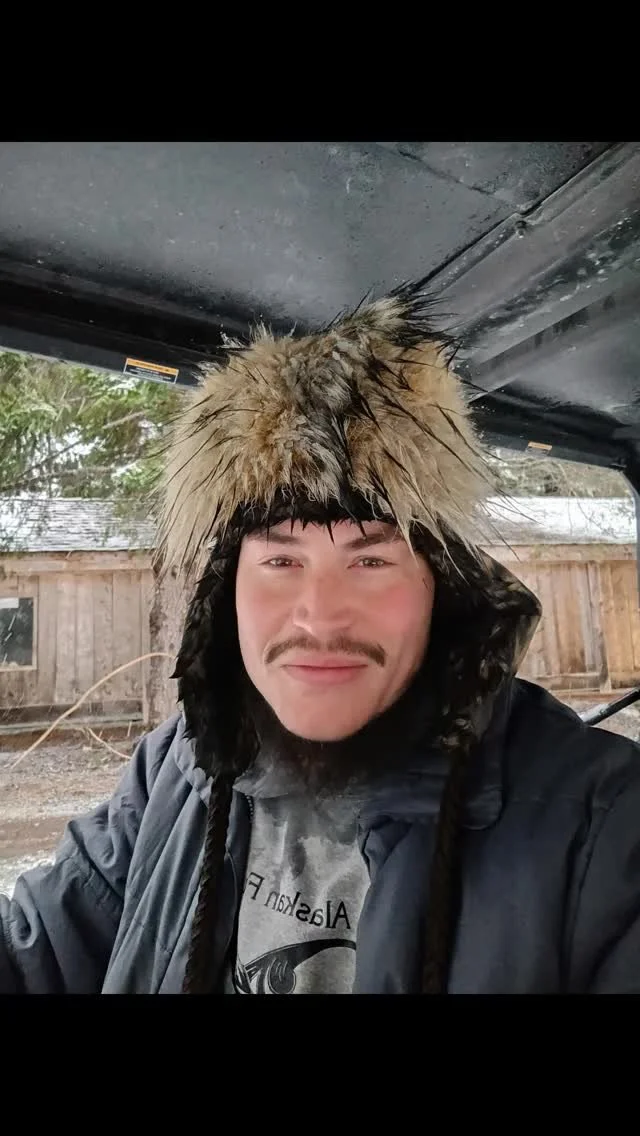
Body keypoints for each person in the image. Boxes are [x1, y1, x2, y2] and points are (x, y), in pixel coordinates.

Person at [2, 278, 640, 995]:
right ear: (226, 591)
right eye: (280, 561)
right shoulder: (176, 772)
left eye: (371, 561)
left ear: (442, 588)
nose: (320, 616)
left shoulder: (605, 827)